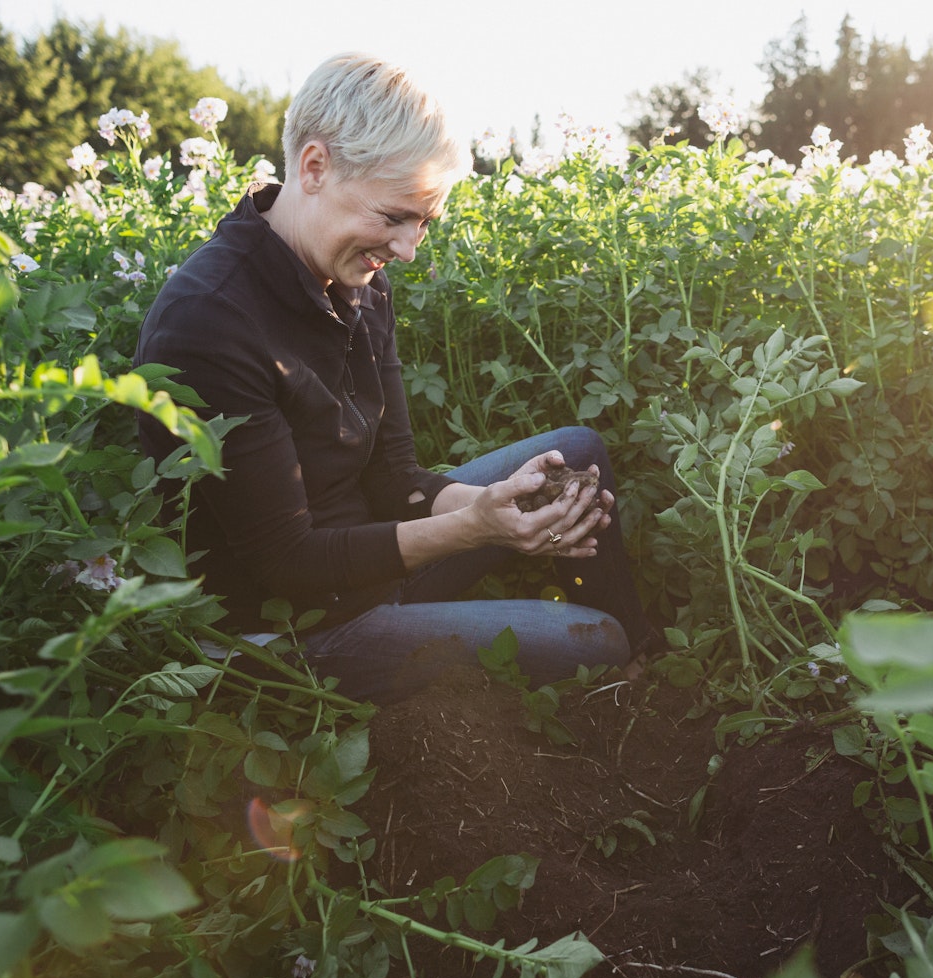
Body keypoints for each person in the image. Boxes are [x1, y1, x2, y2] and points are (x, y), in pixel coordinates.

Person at [134, 52, 655, 703]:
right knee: (592, 639)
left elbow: (396, 481)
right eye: (392, 217)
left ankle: (636, 681)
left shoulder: (358, 279)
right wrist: (480, 526)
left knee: (575, 456)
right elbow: (289, 563)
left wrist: (509, 508)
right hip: (291, 631)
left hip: (373, 560)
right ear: (315, 167)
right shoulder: (210, 319)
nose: (408, 250)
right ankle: (615, 666)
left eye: (424, 222)